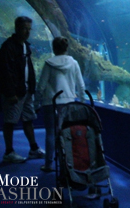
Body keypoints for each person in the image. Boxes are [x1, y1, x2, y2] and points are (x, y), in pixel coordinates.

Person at [0, 16, 45, 163]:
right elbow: (4, 71)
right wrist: (9, 93)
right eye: (24, 28)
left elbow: (27, 68)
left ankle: (34, 148)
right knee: (10, 121)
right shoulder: (9, 46)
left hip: (26, 90)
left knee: (29, 119)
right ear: (17, 28)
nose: (27, 32)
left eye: (29, 29)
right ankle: (9, 152)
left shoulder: (25, 45)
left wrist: (32, 88)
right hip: (14, 93)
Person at [35, 36, 85, 172]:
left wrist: (36, 103)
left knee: (51, 133)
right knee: (67, 133)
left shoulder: (49, 63)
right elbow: (81, 85)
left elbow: (41, 86)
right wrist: (82, 102)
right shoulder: (73, 63)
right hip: (68, 102)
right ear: (66, 48)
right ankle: (67, 164)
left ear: (54, 48)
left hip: (50, 102)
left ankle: (49, 164)